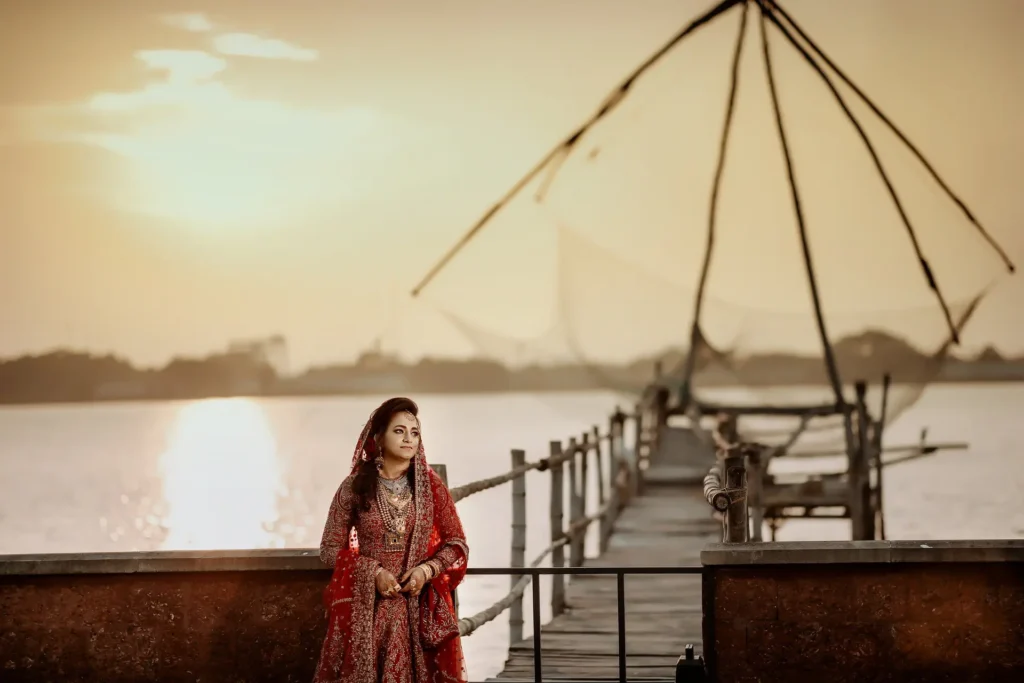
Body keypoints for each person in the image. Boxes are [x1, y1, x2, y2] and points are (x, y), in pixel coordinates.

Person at [313, 397, 469, 683]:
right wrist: (372, 572)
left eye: (415, 432)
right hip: (366, 611)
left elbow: (457, 543)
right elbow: (329, 549)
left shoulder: (431, 488)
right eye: (399, 431)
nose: (409, 438)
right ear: (378, 438)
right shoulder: (354, 487)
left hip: (416, 606)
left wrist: (426, 570)